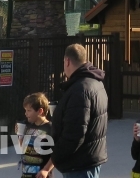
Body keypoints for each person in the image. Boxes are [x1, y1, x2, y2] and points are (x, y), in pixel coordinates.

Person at [39, 44, 107, 178]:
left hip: (79, 164)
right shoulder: (96, 83)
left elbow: (73, 136)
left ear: (67, 61)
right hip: (88, 160)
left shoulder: (80, 90)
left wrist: (49, 165)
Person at [17, 93, 52, 178]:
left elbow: (57, 154)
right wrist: (20, 135)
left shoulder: (50, 128)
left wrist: (46, 169)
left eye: (29, 110)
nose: (26, 113)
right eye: (25, 110)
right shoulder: (28, 126)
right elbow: (23, 148)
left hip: (41, 175)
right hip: (26, 174)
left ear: (40, 111)